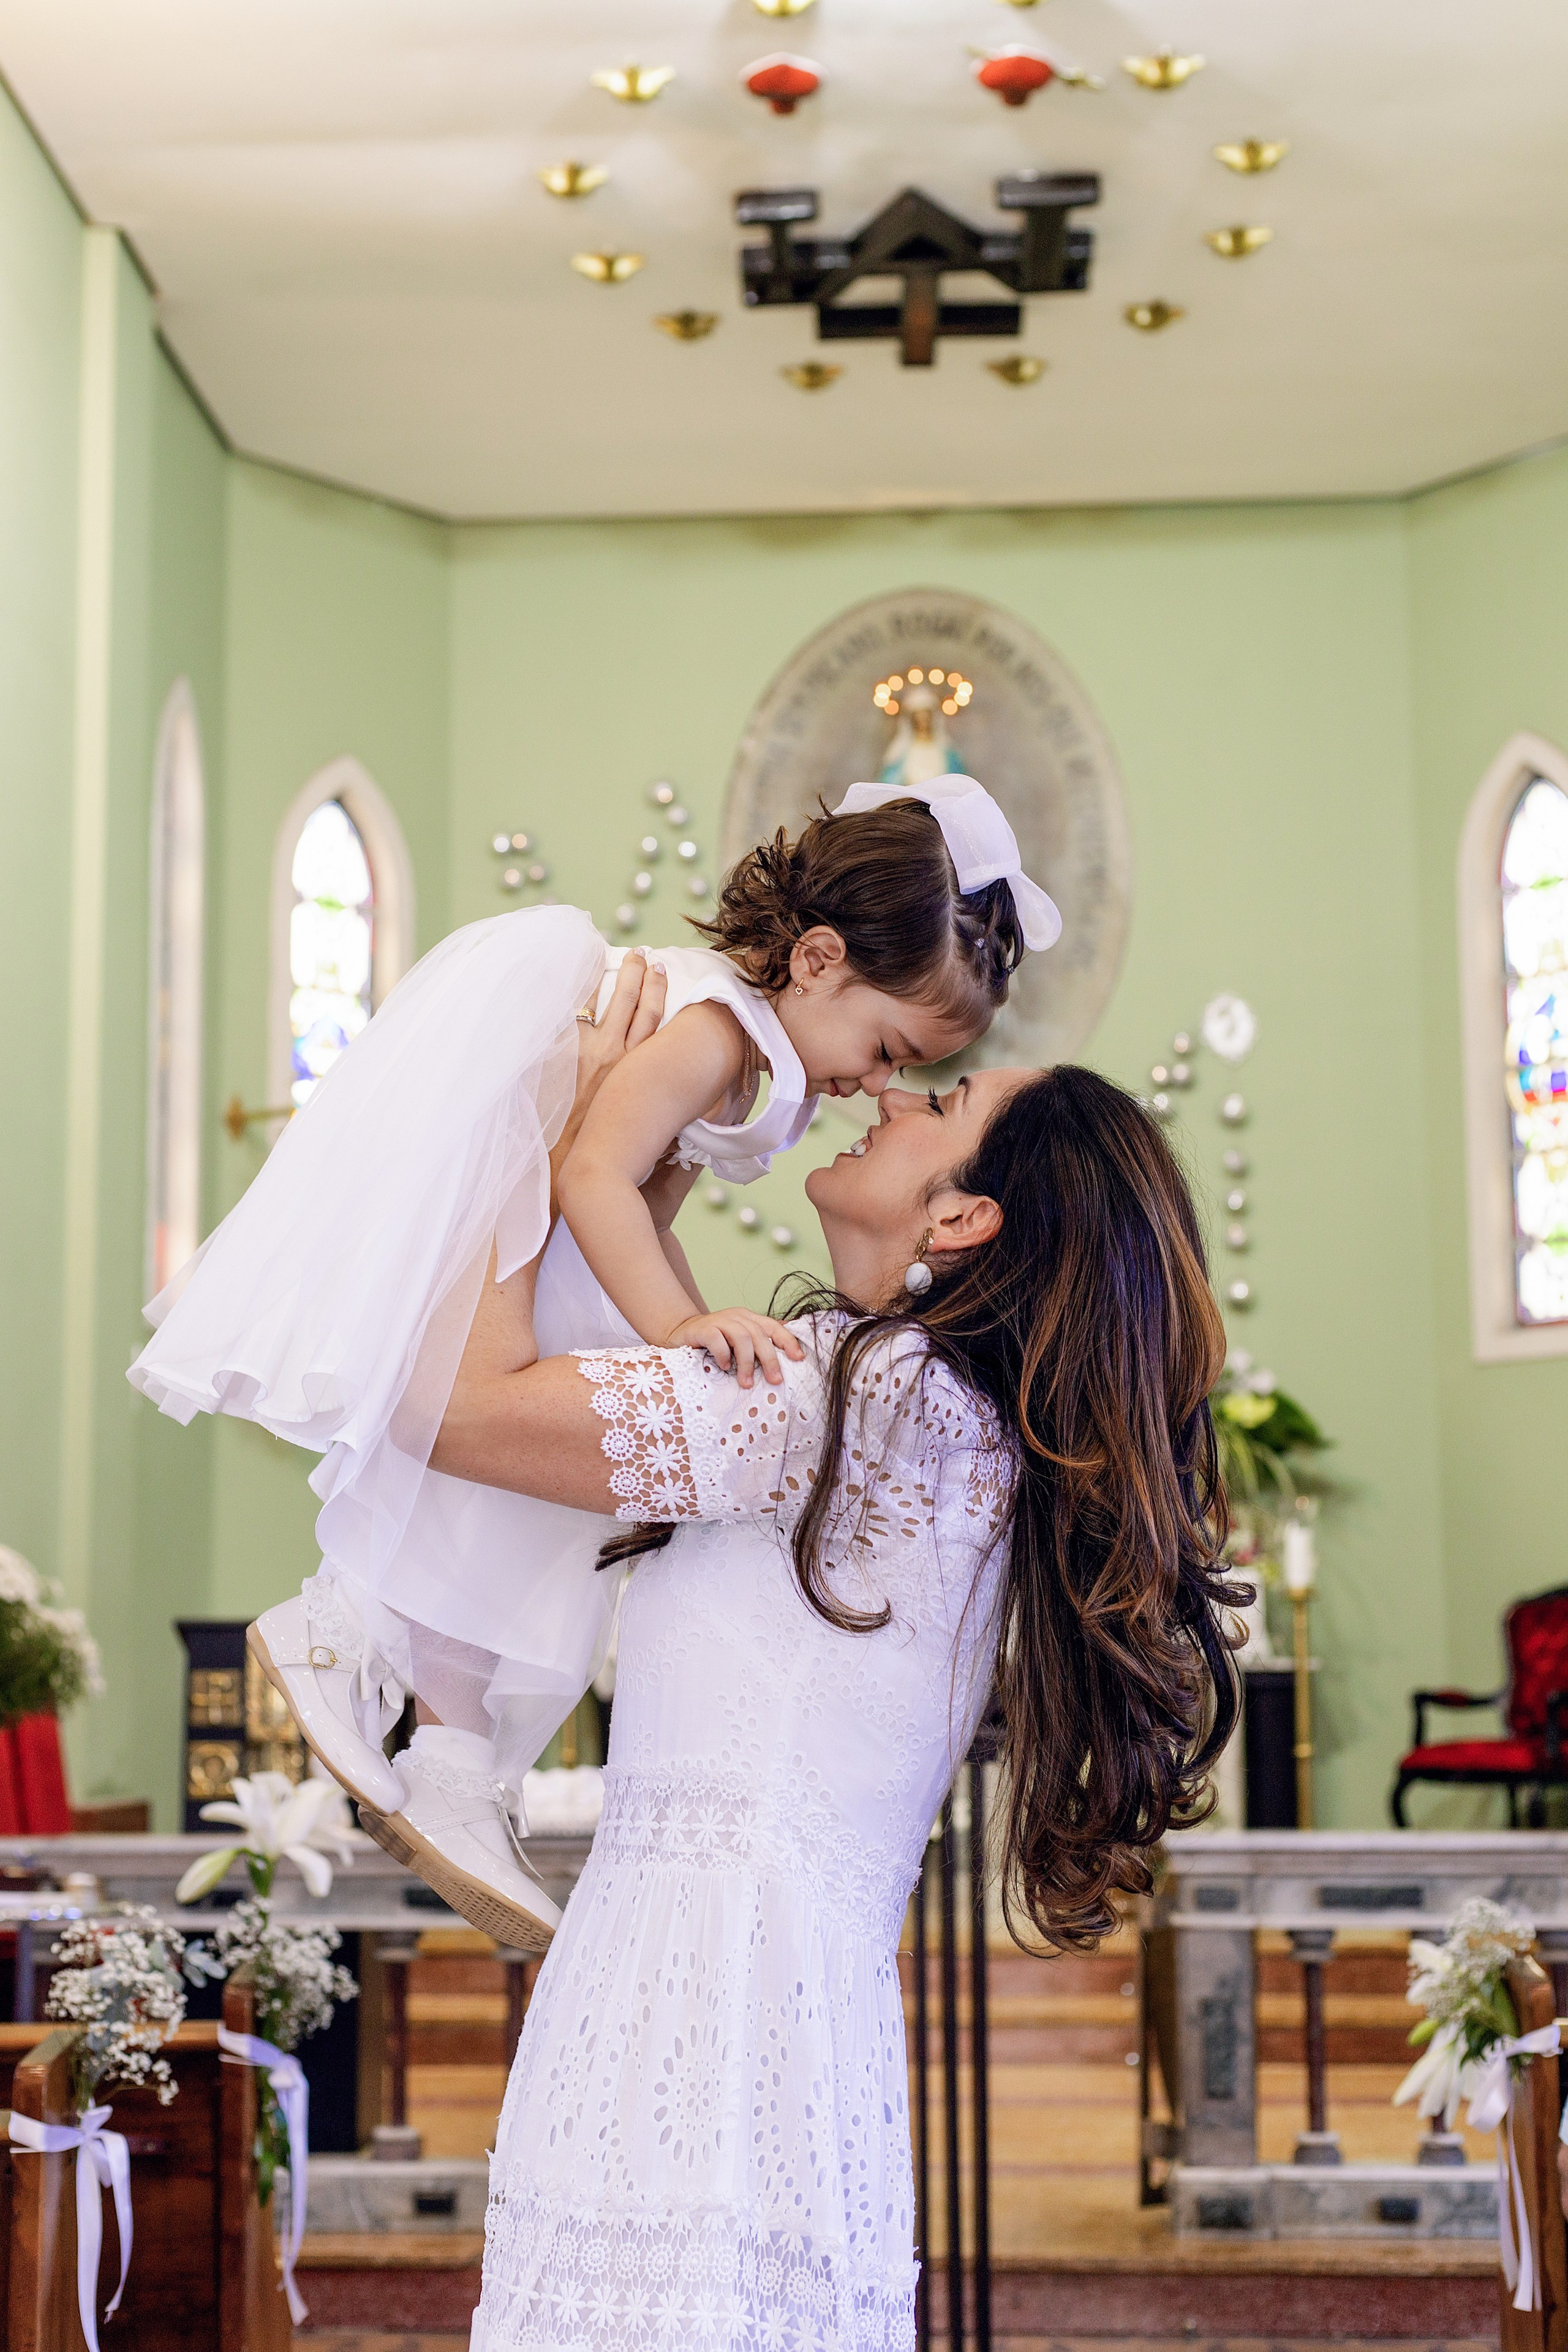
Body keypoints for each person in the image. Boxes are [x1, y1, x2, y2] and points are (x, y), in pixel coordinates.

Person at [428, 993, 1240, 2351]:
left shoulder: (843, 1400)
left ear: (961, 1218)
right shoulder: (933, 1418)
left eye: (948, 1106)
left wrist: (545, 1121)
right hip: (778, 2026)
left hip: (702, 2007)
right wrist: (631, 1157)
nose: (895, 1096)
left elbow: (447, 1409)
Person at [129, 777, 1061, 1948]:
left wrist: (671, 1310)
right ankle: (352, 1633)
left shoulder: (749, 1046)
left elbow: (631, 1194)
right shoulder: (722, 1036)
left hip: (556, 1231)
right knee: (537, 1472)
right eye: (887, 1048)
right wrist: (675, 1327)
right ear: (819, 960)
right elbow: (585, 1176)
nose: (879, 1084)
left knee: (560, 1505)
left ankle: (452, 1746)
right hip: (529, 1206)